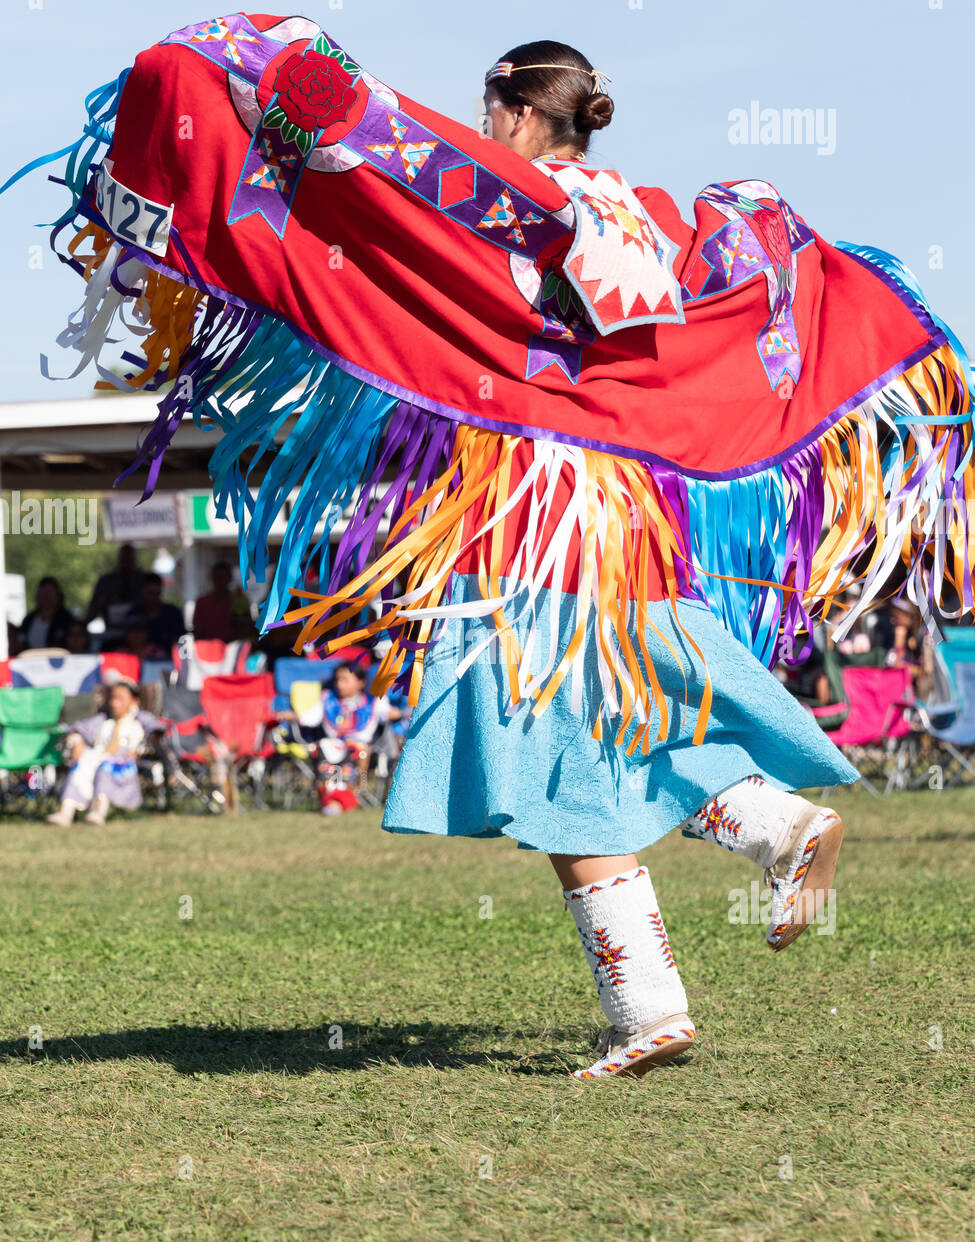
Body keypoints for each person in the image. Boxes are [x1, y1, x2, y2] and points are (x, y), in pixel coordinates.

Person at [13, 18, 975, 1081]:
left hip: (537, 509)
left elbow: (382, 161)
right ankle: (767, 839)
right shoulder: (652, 217)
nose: (481, 130)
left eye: (489, 113)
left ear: (519, 111)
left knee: (537, 738)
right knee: (612, 724)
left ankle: (657, 994)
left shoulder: (522, 202)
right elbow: (734, 277)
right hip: (629, 510)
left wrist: (265, 78)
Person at [46, 678, 164, 826]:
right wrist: (77, 742)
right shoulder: (103, 720)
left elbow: (157, 731)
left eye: (120, 699)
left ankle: (98, 811)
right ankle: (66, 812)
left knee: (106, 768)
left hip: (122, 763)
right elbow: (78, 729)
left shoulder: (139, 719)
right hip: (97, 757)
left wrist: (140, 750)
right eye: (113, 698)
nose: (114, 703)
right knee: (80, 765)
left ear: (134, 702)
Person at [299, 662, 381, 815]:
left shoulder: (373, 701)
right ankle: (328, 794)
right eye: (337, 680)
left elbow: (391, 714)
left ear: (361, 682)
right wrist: (291, 716)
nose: (339, 684)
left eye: (345, 679)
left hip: (359, 748)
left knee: (359, 750)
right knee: (321, 746)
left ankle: (356, 789)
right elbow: (308, 718)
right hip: (333, 746)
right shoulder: (328, 699)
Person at [86, 544, 147, 647]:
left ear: (135, 560)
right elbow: (92, 611)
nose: (127, 564)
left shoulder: (144, 580)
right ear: (118, 560)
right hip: (111, 635)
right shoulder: (106, 582)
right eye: (124, 560)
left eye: (130, 560)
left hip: (140, 638)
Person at [126, 572, 186, 658]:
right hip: (138, 661)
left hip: (169, 661)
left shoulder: (173, 613)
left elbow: (181, 641)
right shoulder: (134, 614)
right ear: (142, 592)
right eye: (150, 593)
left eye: (157, 593)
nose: (154, 598)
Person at [18, 577, 73, 651]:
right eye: (43, 593)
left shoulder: (66, 619)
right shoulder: (28, 620)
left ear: (58, 596)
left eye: (50, 593)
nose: (46, 597)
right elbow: (20, 642)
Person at [192, 560, 235, 642]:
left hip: (232, 648)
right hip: (207, 649)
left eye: (223, 577)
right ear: (213, 578)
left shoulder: (237, 601)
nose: (220, 581)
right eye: (218, 577)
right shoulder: (202, 602)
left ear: (229, 579)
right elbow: (197, 631)